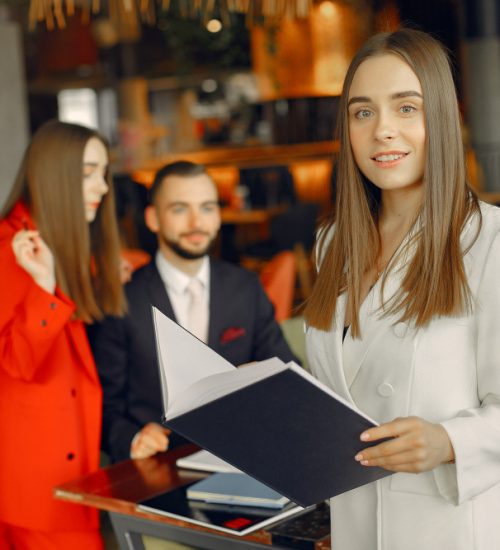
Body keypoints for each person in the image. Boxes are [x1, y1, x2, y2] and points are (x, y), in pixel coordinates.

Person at [303, 28, 500, 550]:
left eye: (406, 108)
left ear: (440, 117)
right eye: (363, 113)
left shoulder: (491, 243)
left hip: (448, 530)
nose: (383, 131)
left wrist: (448, 441)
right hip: (352, 525)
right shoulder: (332, 243)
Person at [89, 160, 297, 463]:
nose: (196, 222)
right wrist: (132, 438)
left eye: (207, 208)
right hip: (156, 468)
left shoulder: (245, 287)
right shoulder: (121, 301)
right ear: (153, 219)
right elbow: (103, 405)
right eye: (179, 209)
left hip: (242, 459)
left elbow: (286, 371)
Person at [0, 120, 126, 549]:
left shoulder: (55, 242)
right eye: (88, 172)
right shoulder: (11, 251)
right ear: (53, 175)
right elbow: (17, 363)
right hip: (37, 489)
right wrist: (41, 287)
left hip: (69, 478)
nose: (103, 186)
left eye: (103, 173)